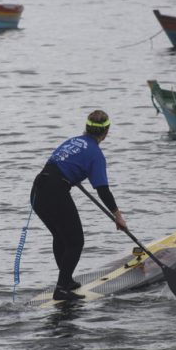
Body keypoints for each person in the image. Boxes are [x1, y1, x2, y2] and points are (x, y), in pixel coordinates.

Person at [31, 110, 127, 300]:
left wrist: (73, 174)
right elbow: (102, 190)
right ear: (106, 132)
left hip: (38, 189)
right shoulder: (96, 155)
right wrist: (118, 215)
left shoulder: (72, 141)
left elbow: (60, 163)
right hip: (55, 192)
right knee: (76, 242)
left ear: (86, 127)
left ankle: (66, 281)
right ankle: (62, 289)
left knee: (61, 237)